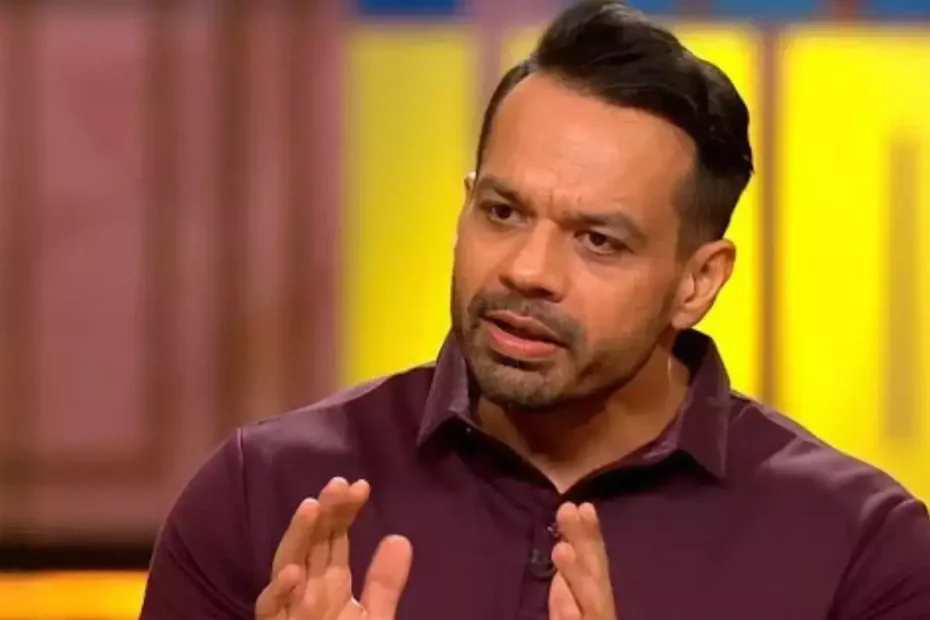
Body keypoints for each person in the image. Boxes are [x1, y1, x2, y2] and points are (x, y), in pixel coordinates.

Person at [139, 1, 930, 618]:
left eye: (598, 240)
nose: (527, 270)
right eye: (503, 212)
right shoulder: (265, 498)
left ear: (698, 283)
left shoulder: (860, 554)